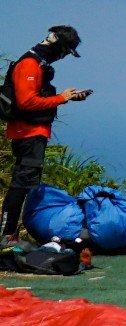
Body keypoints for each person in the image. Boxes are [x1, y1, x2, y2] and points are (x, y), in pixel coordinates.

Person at [4, 26, 88, 245]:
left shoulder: (40, 63)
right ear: (55, 45)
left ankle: (11, 233)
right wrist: (61, 98)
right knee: (20, 184)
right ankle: (6, 235)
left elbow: (38, 98)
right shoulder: (29, 64)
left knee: (25, 183)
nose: (62, 57)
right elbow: (26, 101)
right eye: (64, 51)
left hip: (33, 133)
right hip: (27, 133)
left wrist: (69, 98)